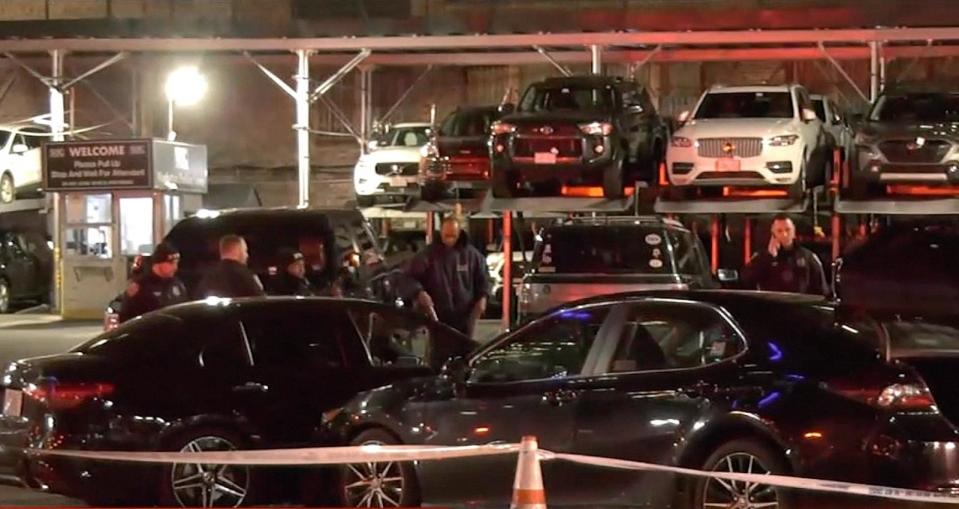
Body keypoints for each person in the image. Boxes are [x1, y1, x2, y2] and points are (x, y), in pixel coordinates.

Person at [405, 216, 489, 337]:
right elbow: (409, 277)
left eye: (453, 236)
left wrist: (483, 296)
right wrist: (418, 292)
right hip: (436, 316)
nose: (449, 239)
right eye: (446, 235)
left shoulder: (473, 256)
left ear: (459, 233)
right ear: (441, 233)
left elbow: (484, 279)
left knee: (466, 351)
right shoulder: (427, 255)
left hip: (465, 317)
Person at [740, 214, 829, 296]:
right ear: (773, 233)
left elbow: (822, 290)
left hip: (799, 309)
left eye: (788, 230)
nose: (784, 234)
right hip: (771, 308)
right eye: (779, 231)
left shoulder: (808, 257)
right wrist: (769, 257)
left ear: (794, 231)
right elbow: (746, 280)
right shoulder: (761, 257)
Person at [118, 242, 188, 323]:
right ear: (158, 263)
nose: (175, 267)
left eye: (176, 263)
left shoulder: (177, 284)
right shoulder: (141, 286)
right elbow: (126, 317)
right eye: (171, 263)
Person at [196, 235, 266, 298]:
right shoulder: (244, 274)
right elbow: (260, 301)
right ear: (237, 250)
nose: (247, 255)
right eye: (245, 251)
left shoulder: (209, 277)